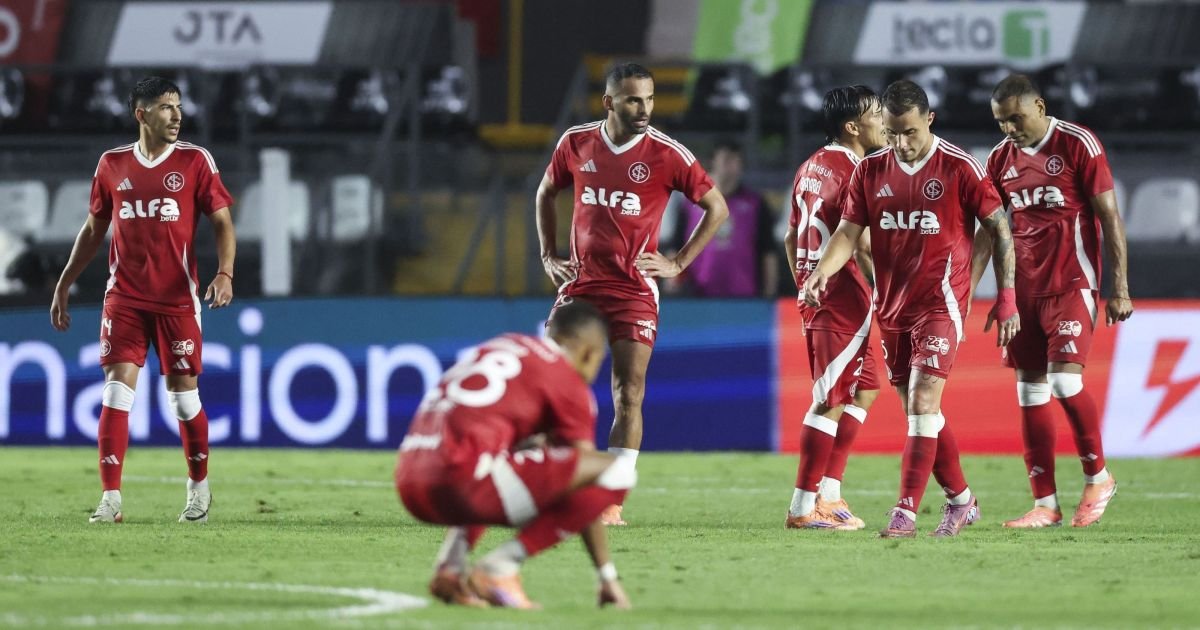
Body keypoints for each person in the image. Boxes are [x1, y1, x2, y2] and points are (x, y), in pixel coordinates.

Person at [803, 79, 1020, 538]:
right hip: (893, 306)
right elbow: (846, 231)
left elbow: (999, 229)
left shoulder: (960, 167)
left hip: (940, 304)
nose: (900, 143)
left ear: (929, 120)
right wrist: (823, 271)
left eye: (909, 132)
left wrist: (1005, 298)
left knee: (923, 402)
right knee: (922, 415)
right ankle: (962, 500)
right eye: (892, 132)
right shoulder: (870, 170)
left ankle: (904, 514)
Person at [535, 62, 729, 526]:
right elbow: (546, 192)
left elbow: (715, 207)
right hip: (580, 285)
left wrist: (679, 262)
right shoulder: (575, 142)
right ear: (609, 102)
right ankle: (546, 485)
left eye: (649, 99)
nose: (643, 109)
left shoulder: (668, 154)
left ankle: (610, 502)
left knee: (629, 391)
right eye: (632, 100)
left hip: (633, 291)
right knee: (550, 387)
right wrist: (547, 254)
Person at [50, 76, 236, 524]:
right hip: (125, 299)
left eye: (178, 106)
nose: (177, 114)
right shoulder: (112, 165)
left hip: (177, 301)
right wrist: (64, 283)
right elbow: (95, 229)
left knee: (183, 401)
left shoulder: (195, 160)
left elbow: (223, 223)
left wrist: (225, 273)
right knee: (116, 392)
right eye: (166, 107)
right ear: (142, 114)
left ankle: (198, 489)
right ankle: (110, 499)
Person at [395, 300, 636, 610]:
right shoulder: (568, 382)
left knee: (501, 458)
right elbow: (585, 481)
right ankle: (501, 567)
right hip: (458, 486)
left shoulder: (505, 344)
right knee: (617, 471)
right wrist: (607, 576)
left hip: (409, 481)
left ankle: (450, 570)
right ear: (590, 353)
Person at [973, 74, 1132, 528]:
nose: (1009, 128)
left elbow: (1109, 218)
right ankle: (1045, 504)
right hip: (1022, 292)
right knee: (1029, 391)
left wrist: (1118, 287)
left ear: (1039, 106)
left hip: (1071, 284)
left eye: (1016, 118)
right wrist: (965, 292)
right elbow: (990, 232)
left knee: (1064, 383)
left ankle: (1098, 476)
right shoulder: (1000, 158)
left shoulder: (1078, 143)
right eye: (1001, 121)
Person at [783, 86, 887, 530]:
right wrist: (889, 293)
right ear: (853, 127)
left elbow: (791, 237)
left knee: (864, 388)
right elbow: (861, 243)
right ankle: (802, 509)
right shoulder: (856, 171)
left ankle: (830, 492)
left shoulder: (810, 166)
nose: (883, 120)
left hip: (824, 295)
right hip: (841, 298)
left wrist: (804, 283)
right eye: (875, 115)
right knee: (828, 399)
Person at [661, 140, 777, 297]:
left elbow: (768, 251)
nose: (733, 165)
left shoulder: (755, 204)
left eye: (737, 161)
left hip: (745, 297)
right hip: (698, 295)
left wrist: (769, 293)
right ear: (713, 161)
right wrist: (671, 280)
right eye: (727, 159)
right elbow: (676, 245)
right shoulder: (690, 203)